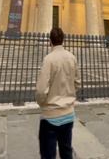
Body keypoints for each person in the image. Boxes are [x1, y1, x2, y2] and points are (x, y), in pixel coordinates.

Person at [35, 27, 81, 159]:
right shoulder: (72, 57)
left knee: (48, 154)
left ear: (50, 41)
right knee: (66, 151)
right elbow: (77, 83)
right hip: (68, 114)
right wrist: (69, 95)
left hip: (51, 115)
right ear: (63, 40)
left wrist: (43, 103)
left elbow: (41, 89)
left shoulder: (49, 59)